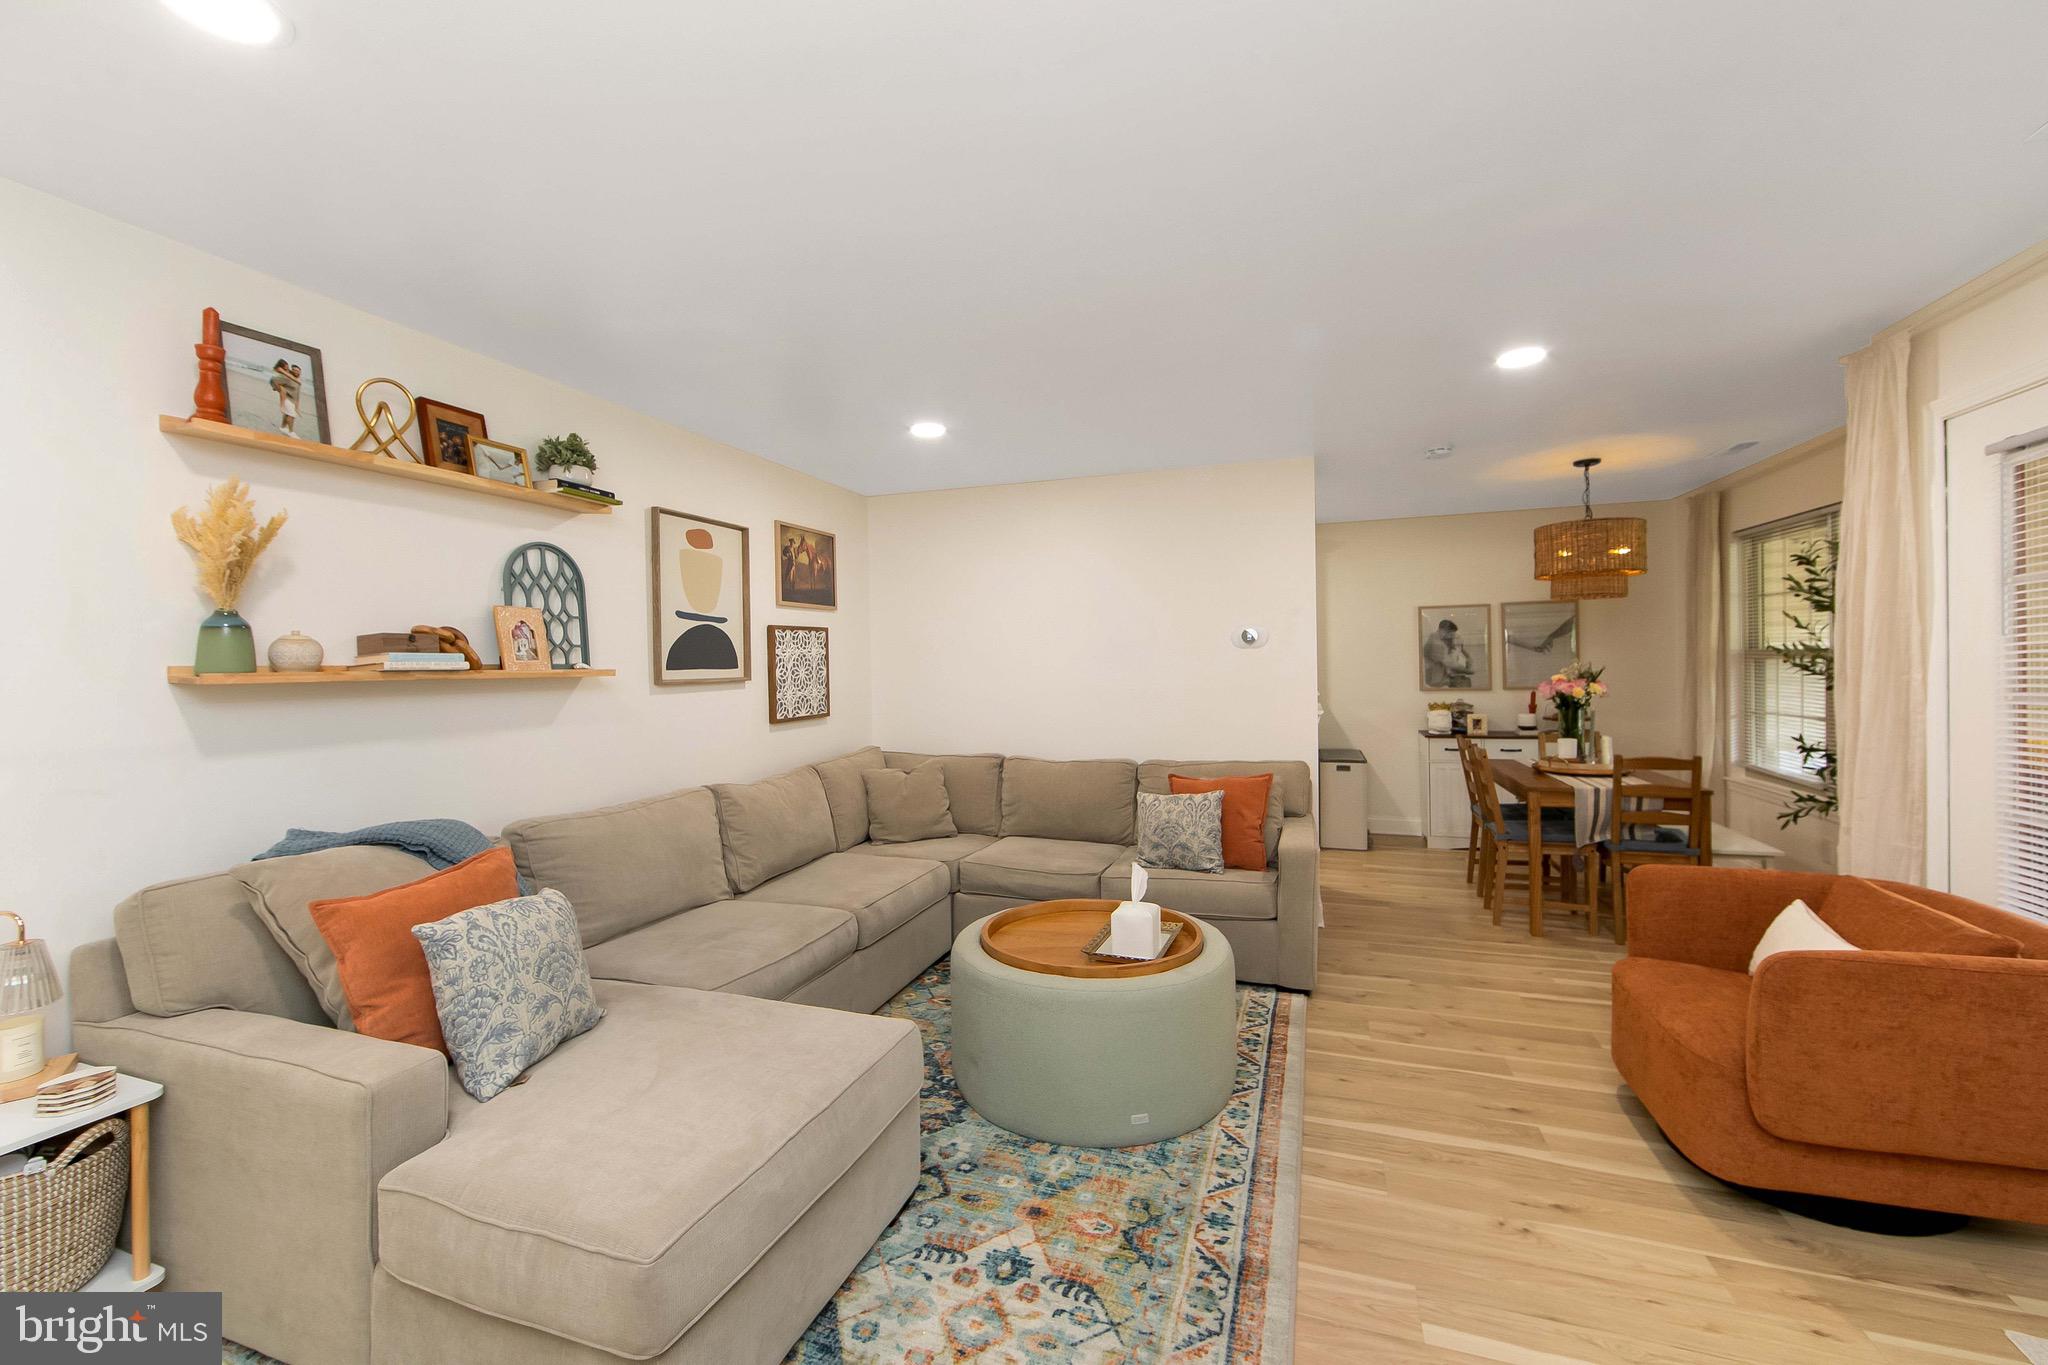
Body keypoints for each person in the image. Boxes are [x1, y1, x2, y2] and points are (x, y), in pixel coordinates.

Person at [1423, 618, 1474, 687]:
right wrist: (1469, 671)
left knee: (1464, 681)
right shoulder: (1437, 643)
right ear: (1444, 630)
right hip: (1436, 681)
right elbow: (1451, 664)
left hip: (1438, 678)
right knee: (1464, 683)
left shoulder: (1434, 638)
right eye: (1451, 633)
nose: (1451, 637)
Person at [267, 360, 301, 436]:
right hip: (276, 382)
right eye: (286, 366)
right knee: (283, 391)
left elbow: (297, 394)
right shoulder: (282, 371)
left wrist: (297, 407)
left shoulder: (291, 374)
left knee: (287, 412)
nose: (287, 367)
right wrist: (296, 381)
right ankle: (291, 431)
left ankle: (283, 427)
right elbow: (286, 376)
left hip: (286, 390)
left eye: (287, 366)